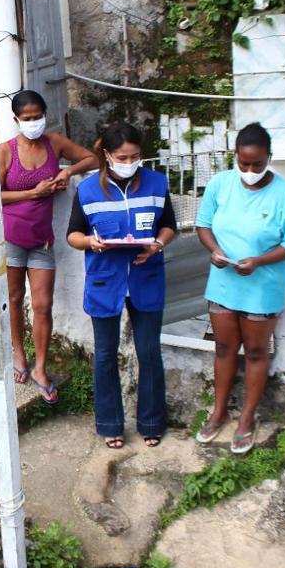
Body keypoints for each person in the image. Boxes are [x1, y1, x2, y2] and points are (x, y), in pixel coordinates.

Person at [193, 122, 285, 454]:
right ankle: (218, 412)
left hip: (263, 287)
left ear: (269, 158)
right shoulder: (221, 184)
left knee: (256, 352)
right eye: (244, 163)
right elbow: (203, 225)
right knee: (224, 349)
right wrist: (213, 250)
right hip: (224, 283)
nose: (250, 170)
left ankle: (247, 418)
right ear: (236, 158)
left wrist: (258, 261)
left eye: (257, 164)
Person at [66, 123, 177, 448]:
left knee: (149, 352)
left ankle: (152, 422)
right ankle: (110, 424)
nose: (129, 161)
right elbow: (72, 235)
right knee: (104, 355)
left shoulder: (156, 183)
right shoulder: (87, 190)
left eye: (135, 156)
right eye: (122, 156)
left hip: (147, 276)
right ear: (107, 155)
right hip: (106, 280)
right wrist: (91, 241)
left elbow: (169, 225)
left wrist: (158, 244)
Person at [0, 90, 97, 404]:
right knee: (14, 298)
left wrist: (67, 171)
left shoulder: (54, 143)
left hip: (42, 241)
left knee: (42, 305)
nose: (33, 123)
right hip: (11, 238)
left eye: (37, 116)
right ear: (16, 120)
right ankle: (18, 354)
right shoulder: (5, 152)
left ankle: (40, 368)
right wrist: (33, 193)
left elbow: (93, 158)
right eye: (27, 119)